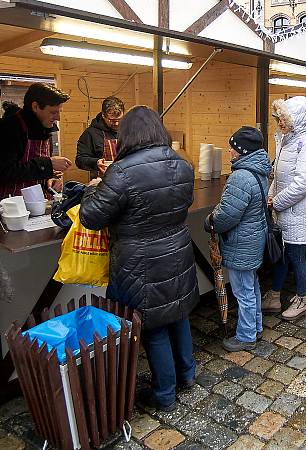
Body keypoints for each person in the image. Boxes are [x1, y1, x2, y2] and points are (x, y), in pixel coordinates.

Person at [79, 106, 198, 412]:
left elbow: (91, 217)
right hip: (177, 250)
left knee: (153, 326)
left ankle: (164, 394)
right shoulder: (182, 164)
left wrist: (91, 191)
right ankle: (187, 375)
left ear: (127, 134)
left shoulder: (122, 171)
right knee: (177, 314)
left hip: (140, 261)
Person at [205, 127, 270, 351]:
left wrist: (210, 221)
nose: (230, 152)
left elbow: (227, 216)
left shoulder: (241, 177)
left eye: (233, 148)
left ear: (242, 151)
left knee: (243, 291)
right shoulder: (258, 170)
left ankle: (246, 336)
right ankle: (256, 327)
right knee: (251, 286)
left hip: (241, 242)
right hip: (254, 238)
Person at [261, 96, 306, 321]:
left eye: (284, 119)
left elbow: (302, 184)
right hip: (286, 210)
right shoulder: (286, 142)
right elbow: (278, 176)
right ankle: (275, 295)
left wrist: (275, 201)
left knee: (296, 256)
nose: (280, 124)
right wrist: (270, 195)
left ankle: (302, 300)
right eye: (279, 119)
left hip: (300, 212)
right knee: (282, 256)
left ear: (296, 120)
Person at [0, 82, 72, 201]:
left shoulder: (44, 128)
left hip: (34, 203)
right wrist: (47, 164)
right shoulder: (7, 128)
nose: (58, 118)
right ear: (35, 107)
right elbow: (5, 172)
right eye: (53, 112)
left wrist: (49, 180)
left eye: (59, 112)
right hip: (6, 206)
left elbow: (32, 170)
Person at [76, 96, 125, 177]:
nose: (116, 124)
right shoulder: (91, 133)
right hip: (102, 182)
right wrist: (96, 162)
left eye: (119, 120)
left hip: (126, 181)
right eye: (112, 120)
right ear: (103, 115)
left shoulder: (127, 130)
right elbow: (80, 160)